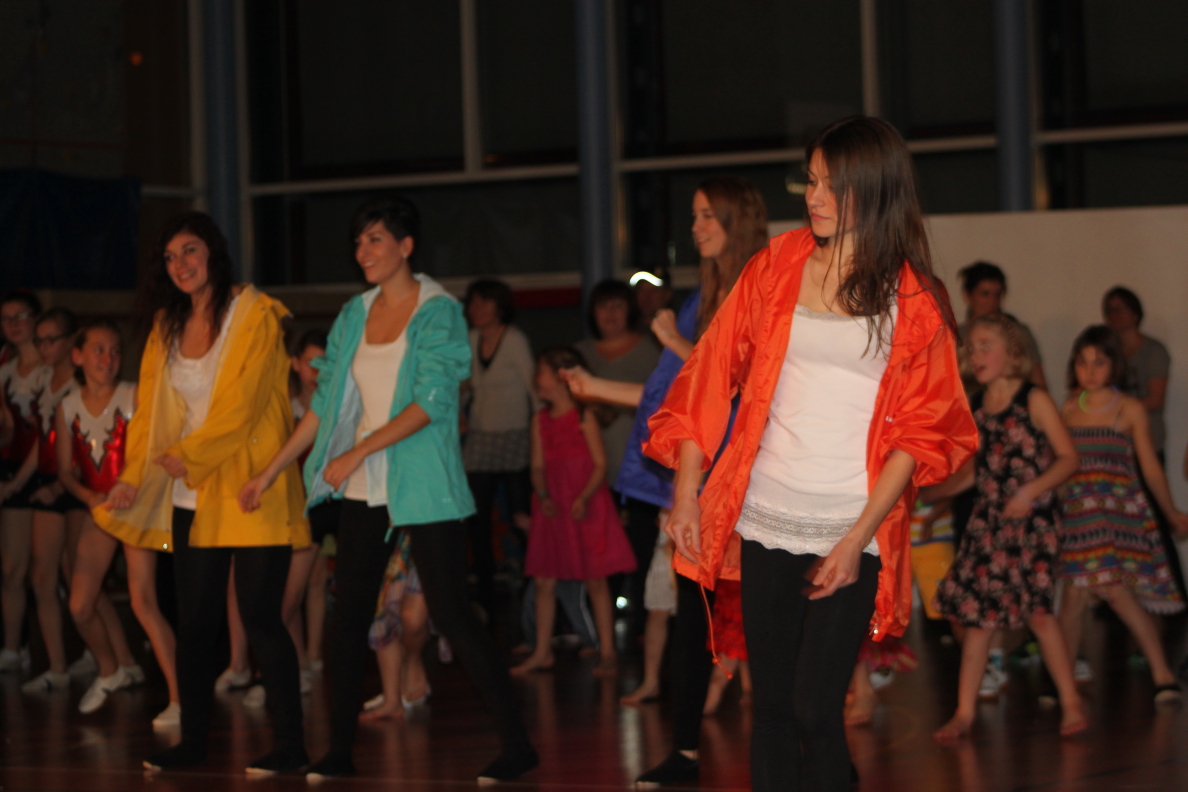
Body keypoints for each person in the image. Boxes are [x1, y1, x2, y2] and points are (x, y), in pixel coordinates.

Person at [643, 116, 978, 791]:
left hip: (855, 523)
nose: (813, 197)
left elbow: (921, 433)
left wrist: (857, 539)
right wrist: (686, 495)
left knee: (815, 710)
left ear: (872, 188)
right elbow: (708, 376)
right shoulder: (778, 264)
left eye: (830, 185)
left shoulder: (914, 297)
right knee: (770, 709)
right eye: (812, 181)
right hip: (768, 513)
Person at [237, 195, 538, 783]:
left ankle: (518, 744)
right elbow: (324, 404)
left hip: (422, 480)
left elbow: (431, 402)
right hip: (363, 485)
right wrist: (271, 471)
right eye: (358, 241)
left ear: (406, 246)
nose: (363, 251)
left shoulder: (439, 311)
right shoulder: (354, 312)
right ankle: (339, 751)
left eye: (375, 239)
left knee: (452, 613)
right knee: (348, 616)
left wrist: (359, 450)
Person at [565, 175, 768, 763]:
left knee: (769, 615)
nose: (696, 226)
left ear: (735, 220)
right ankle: (683, 753)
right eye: (695, 215)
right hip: (699, 476)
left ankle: (816, 751)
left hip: (752, 478)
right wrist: (594, 386)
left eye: (707, 216)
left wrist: (677, 343)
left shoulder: (760, 292)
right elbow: (674, 398)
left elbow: (745, 389)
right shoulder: (700, 299)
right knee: (691, 615)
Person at [101, 211, 310, 774]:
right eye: (170, 257)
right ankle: (193, 743)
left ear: (213, 251)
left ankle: (291, 745)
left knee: (262, 619)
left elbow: (244, 404)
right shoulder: (166, 326)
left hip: (251, 485)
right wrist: (132, 475)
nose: (181, 264)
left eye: (189, 250)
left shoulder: (255, 313)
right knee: (194, 626)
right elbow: (149, 411)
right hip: (192, 492)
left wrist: (190, 455)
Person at [927, 315, 1086, 741]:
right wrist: (928, 494)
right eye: (971, 347)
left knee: (1039, 614)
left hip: (1031, 524)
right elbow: (977, 472)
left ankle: (1071, 701)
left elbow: (1069, 458)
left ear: (1012, 352)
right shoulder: (978, 407)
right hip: (989, 524)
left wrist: (1030, 491)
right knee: (979, 621)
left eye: (985, 345)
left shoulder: (1034, 399)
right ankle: (964, 712)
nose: (975, 354)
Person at [1057, 325, 1187, 701]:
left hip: (1115, 513)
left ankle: (1161, 672)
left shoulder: (1129, 409)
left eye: (1099, 362)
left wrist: (1170, 510)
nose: (1090, 370)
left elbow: (1150, 467)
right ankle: (1064, 681)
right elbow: (1060, 465)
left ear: (1115, 364)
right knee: (1074, 596)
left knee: (1114, 593)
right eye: (1082, 362)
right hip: (1079, 514)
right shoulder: (1068, 408)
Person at [60, 321, 175, 716]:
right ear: (77, 356)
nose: (108, 359)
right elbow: (66, 472)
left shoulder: (135, 394)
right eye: (98, 350)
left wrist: (130, 488)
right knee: (79, 604)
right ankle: (111, 670)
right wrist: (90, 496)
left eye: (114, 351)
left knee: (143, 602)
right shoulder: (67, 406)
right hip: (102, 511)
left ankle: (180, 698)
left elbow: (153, 448)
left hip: (137, 508)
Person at [216, 329, 331, 697]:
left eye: (323, 362)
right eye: (310, 362)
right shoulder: (286, 407)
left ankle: (302, 664)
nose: (316, 371)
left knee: (307, 588)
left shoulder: (334, 406)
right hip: (296, 508)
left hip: (331, 504)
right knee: (283, 596)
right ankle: (280, 669)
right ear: (294, 364)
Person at [513, 347, 636, 676]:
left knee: (596, 580)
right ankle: (542, 651)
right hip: (553, 507)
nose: (536, 379)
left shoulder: (584, 417)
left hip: (586, 505)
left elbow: (599, 464)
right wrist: (543, 494)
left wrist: (583, 497)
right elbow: (537, 466)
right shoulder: (539, 420)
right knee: (543, 581)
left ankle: (607, 651)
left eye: (541, 372)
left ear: (560, 378)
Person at [574, 280, 661, 624]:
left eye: (618, 306)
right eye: (602, 306)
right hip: (592, 468)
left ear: (630, 311)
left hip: (640, 466)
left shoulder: (649, 351)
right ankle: (601, 624)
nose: (609, 314)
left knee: (641, 543)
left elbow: (662, 402)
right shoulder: (580, 353)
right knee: (599, 546)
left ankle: (641, 620)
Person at [7, 308, 84, 692]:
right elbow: (40, 440)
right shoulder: (42, 381)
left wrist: (61, 484)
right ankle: (57, 667)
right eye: (40, 340)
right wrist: (17, 484)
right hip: (50, 481)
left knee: (80, 579)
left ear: (71, 343)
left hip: (78, 487)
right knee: (42, 576)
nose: (44, 347)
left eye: (51, 340)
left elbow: (89, 442)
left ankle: (116, 660)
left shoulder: (82, 384)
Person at [462, 278, 536, 621]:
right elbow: (464, 384)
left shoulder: (515, 339)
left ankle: (535, 590)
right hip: (481, 437)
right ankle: (485, 596)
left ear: (499, 306)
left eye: (484, 302)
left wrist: (542, 435)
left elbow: (534, 390)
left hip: (515, 436)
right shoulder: (471, 339)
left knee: (522, 518)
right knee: (476, 520)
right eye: (473, 303)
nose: (477, 309)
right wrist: (458, 413)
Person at [0, 290, 46, 673]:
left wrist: (17, 483)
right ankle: (14, 649)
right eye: (6, 318)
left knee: (54, 572)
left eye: (21, 316)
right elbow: (7, 430)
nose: (14, 324)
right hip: (12, 469)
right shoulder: (4, 366)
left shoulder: (52, 365)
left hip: (46, 472)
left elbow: (48, 434)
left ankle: (84, 655)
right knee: (13, 568)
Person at [358, 531, 431, 721]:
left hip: (425, 526)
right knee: (381, 606)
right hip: (382, 526)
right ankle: (392, 698)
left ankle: (412, 661)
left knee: (413, 619)